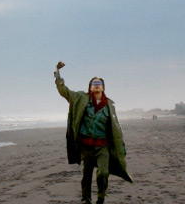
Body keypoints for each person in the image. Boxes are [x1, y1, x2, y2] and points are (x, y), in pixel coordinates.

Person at [54, 61, 132, 204]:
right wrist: (58, 73)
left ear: (103, 87)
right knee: (87, 174)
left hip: (103, 146)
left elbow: (115, 127)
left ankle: (101, 198)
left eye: (99, 83)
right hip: (86, 145)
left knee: (103, 173)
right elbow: (64, 91)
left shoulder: (109, 105)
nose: (97, 85)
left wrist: (121, 146)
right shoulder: (80, 98)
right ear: (90, 87)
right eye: (94, 83)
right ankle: (86, 198)